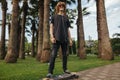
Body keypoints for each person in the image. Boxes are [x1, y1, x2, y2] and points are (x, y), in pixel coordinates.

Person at [46, 1, 73, 78]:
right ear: (58, 7)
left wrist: (70, 39)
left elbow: (68, 30)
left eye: (63, 6)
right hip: (56, 38)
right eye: (60, 5)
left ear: (64, 7)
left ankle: (65, 69)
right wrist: (52, 36)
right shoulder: (54, 16)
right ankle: (50, 72)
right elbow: (51, 27)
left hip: (65, 39)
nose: (61, 6)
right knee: (53, 55)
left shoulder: (66, 18)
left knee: (65, 55)